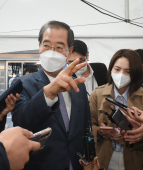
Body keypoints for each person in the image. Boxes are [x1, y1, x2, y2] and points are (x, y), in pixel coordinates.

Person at [12, 20, 91, 170]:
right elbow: (20, 123)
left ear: (69, 50)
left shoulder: (78, 84)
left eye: (59, 47)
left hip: (77, 164)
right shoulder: (22, 84)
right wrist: (49, 92)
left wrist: (90, 155)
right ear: (39, 46)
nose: (52, 52)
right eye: (46, 45)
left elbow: (86, 126)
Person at [90, 49, 143, 170]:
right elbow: (88, 126)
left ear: (135, 73)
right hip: (105, 157)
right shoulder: (98, 93)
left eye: (128, 71)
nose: (121, 74)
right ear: (111, 69)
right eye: (117, 69)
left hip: (136, 159)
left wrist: (134, 137)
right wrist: (100, 131)